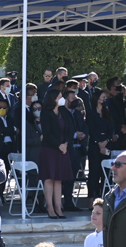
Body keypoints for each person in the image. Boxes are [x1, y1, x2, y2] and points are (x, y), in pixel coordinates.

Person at [38, 89, 75, 218]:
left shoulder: (64, 112)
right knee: (49, 178)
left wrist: (66, 144)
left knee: (58, 179)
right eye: (60, 97)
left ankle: (59, 207)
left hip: (63, 149)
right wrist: (58, 145)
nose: (62, 99)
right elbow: (47, 133)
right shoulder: (46, 113)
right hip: (50, 149)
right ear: (53, 99)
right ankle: (50, 207)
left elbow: (71, 129)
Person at [87, 89, 115, 203]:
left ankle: (105, 197)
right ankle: (91, 198)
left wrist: (106, 141)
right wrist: (99, 143)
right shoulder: (91, 113)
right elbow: (91, 129)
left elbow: (111, 129)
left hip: (106, 145)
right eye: (103, 97)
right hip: (95, 146)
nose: (105, 100)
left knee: (105, 173)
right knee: (94, 172)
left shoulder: (107, 113)